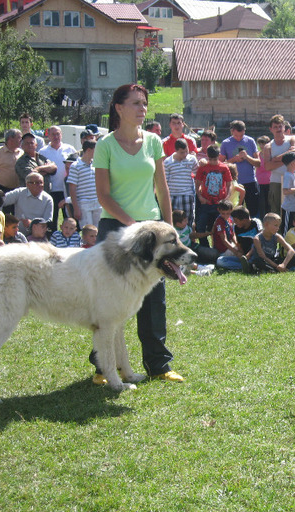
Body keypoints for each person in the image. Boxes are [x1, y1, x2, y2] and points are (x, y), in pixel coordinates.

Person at [91, 83, 183, 384]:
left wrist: (170, 232)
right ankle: (103, 366)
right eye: (135, 103)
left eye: (144, 103)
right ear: (119, 108)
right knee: (110, 300)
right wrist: (132, 226)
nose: (142, 108)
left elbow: (162, 188)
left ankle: (159, 365)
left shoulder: (154, 141)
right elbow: (103, 196)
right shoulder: (105, 145)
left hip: (153, 230)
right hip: (116, 230)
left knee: (154, 300)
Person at [39, 126, 77, 232]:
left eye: (58, 134)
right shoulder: (43, 151)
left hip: (67, 189)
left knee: (69, 219)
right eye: (53, 134)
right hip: (51, 190)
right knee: (51, 219)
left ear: (61, 135)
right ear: (48, 135)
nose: (56, 137)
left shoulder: (70, 149)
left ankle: (71, 239)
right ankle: (52, 240)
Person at [219, 120, 260, 216]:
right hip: (232, 183)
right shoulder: (225, 143)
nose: (239, 138)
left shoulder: (250, 141)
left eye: (241, 135)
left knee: (253, 210)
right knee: (233, 210)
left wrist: (247, 157)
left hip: (250, 181)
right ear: (232, 131)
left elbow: (258, 163)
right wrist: (234, 159)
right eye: (237, 136)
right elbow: (220, 164)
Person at [195, 145, 232, 245]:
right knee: (201, 226)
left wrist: (226, 198)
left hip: (219, 203)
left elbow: (229, 184)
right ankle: (204, 245)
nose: (212, 162)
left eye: (215, 159)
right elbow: (197, 184)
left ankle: (219, 246)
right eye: (210, 159)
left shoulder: (224, 167)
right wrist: (200, 196)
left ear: (219, 156)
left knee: (219, 226)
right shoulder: (203, 168)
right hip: (206, 202)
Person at [263, 115, 295, 215]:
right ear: (271, 129)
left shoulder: (292, 139)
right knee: (276, 212)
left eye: (280, 126)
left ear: (284, 127)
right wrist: (286, 159)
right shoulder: (268, 146)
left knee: (294, 211)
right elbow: (267, 166)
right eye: (275, 127)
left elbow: (294, 151)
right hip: (276, 182)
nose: (278, 129)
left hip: (293, 181)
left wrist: (276, 159)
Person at [164, 138, 199, 227]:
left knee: (188, 219)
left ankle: (188, 238)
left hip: (187, 195)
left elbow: (197, 174)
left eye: (186, 151)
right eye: (182, 152)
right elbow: (165, 181)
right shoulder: (168, 162)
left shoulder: (192, 159)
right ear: (176, 150)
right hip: (173, 195)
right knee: (173, 220)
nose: (185, 154)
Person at [68, 140, 102, 228]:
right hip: (84, 203)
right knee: (87, 229)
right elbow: (72, 188)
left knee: (98, 229)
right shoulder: (75, 166)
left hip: (97, 202)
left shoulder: (97, 164)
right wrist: (76, 208)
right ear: (89, 150)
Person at [215, 206, 259, 272]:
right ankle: (247, 266)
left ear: (244, 220)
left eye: (236, 220)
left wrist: (249, 254)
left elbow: (261, 239)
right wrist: (240, 252)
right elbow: (239, 243)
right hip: (245, 256)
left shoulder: (256, 223)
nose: (235, 223)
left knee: (255, 243)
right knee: (220, 260)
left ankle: (250, 265)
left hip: (256, 254)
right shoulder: (236, 227)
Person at [280, 152, 295, 235]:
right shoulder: (287, 175)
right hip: (288, 209)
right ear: (292, 163)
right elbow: (285, 191)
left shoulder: (294, 175)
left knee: (293, 229)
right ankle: (283, 246)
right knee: (287, 229)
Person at [255, 135, 272, 219]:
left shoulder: (271, 155)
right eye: (260, 144)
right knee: (261, 204)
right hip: (260, 182)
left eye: (263, 143)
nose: (261, 146)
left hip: (270, 182)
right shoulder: (257, 155)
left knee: (269, 203)